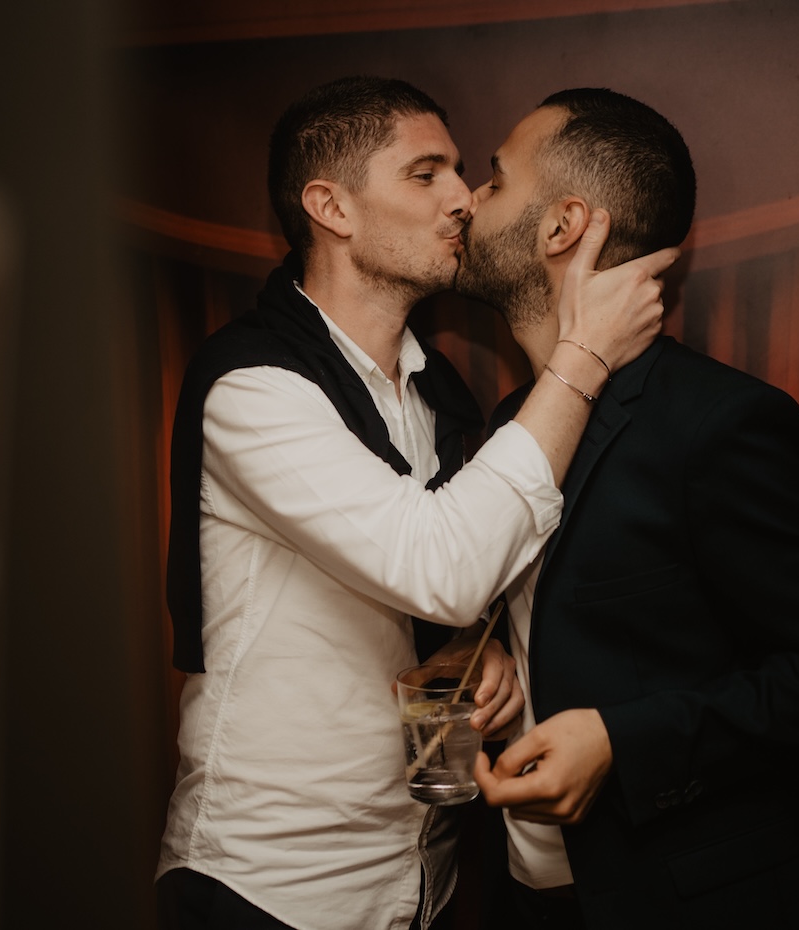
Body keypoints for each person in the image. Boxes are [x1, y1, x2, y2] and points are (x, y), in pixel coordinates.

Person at [156, 77, 679, 930]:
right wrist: (583, 352)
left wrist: (477, 648)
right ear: (331, 206)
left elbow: (438, 579)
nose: (462, 201)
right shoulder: (254, 386)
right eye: (425, 174)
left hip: (419, 876)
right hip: (272, 880)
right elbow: (439, 568)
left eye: (463, 173)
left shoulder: (441, 394)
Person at [459, 88, 799, 929]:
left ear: (561, 226)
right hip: (528, 897)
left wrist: (620, 742)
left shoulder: (718, 423)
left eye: (493, 178)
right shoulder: (506, 429)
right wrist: (495, 657)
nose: (467, 199)